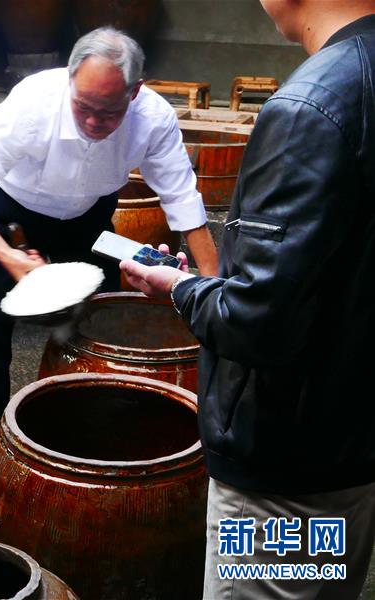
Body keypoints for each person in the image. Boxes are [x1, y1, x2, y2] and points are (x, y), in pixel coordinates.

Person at [119, 3, 375, 597]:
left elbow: (255, 323)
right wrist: (222, 278)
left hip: (283, 482)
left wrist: (181, 286)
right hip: (350, 445)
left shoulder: (311, 104)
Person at [0, 26, 219, 500]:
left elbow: (183, 201)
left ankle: (91, 437)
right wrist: (6, 254)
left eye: (109, 113)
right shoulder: (33, 103)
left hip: (88, 216)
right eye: (83, 107)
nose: (93, 121)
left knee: (100, 321)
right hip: (9, 211)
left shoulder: (154, 118)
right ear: (69, 81)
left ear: (136, 91)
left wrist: (212, 289)